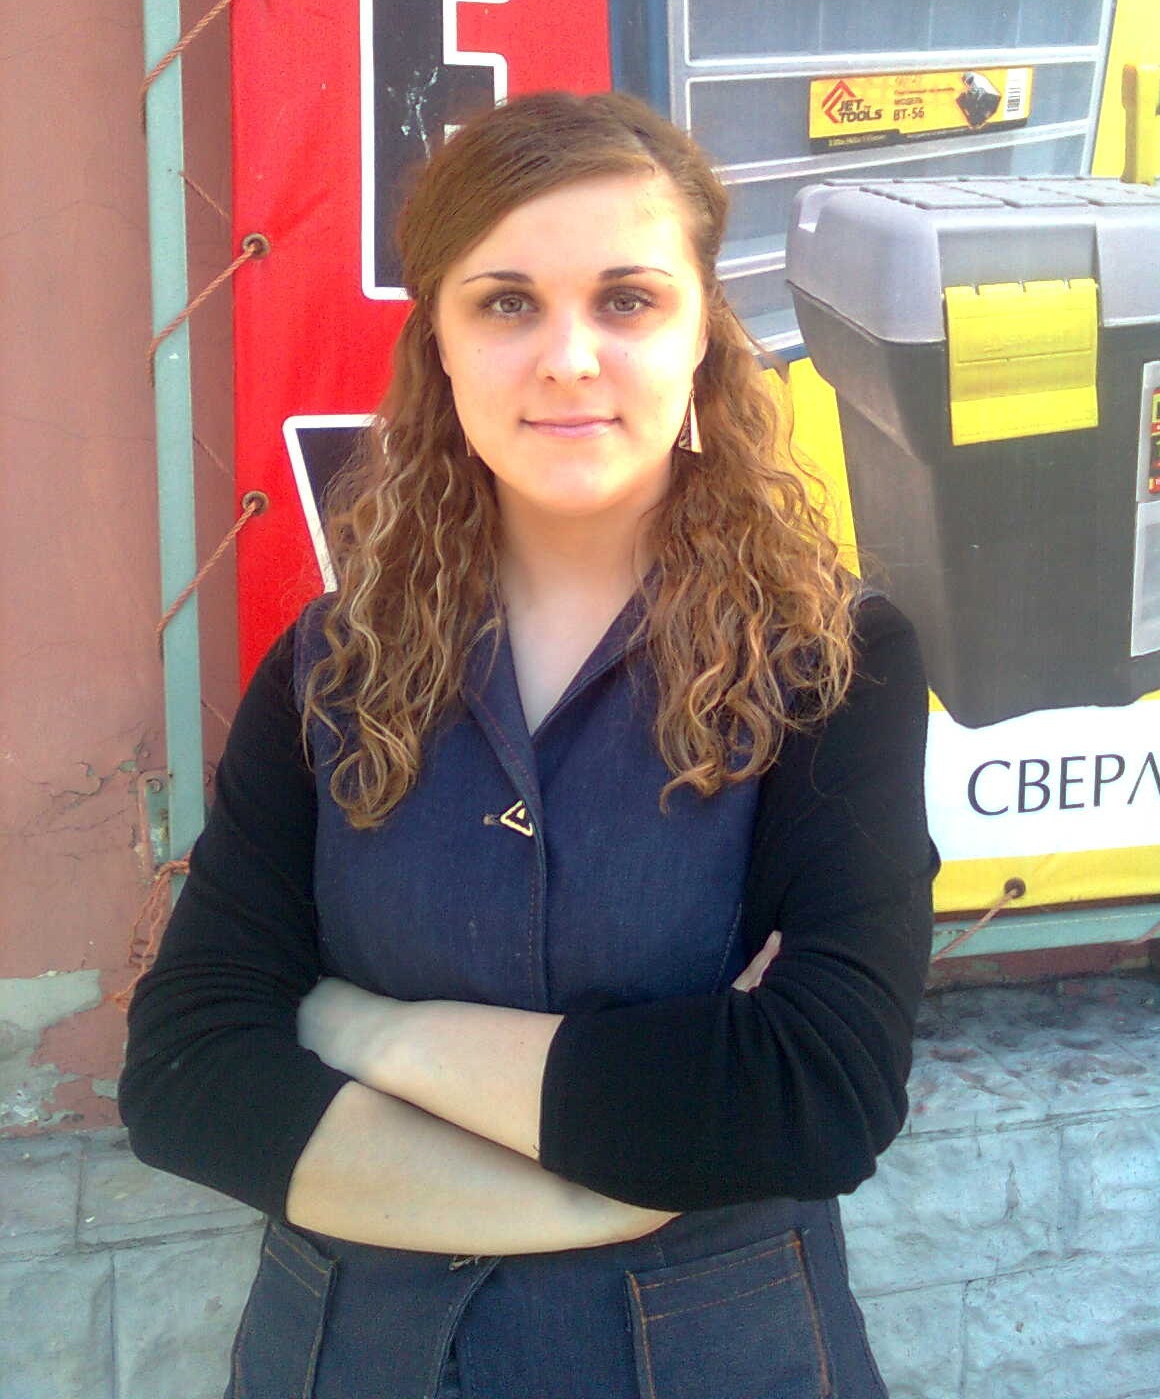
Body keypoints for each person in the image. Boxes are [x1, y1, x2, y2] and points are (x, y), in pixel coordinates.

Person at [118, 90, 938, 1399]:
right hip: (348, 1359)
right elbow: (186, 1073)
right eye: (506, 302)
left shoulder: (833, 668)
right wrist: (609, 1181)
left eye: (627, 300)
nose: (567, 357)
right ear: (438, 344)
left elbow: (816, 1092)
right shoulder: (328, 667)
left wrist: (369, 1032)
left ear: (702, 338)